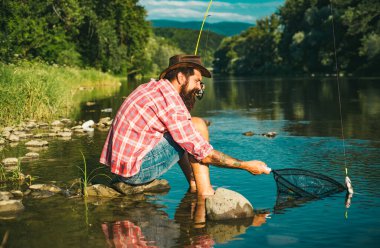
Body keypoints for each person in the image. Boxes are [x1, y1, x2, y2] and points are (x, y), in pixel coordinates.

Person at [100, 54, 271, 196]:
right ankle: (205, 192)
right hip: (135, 172)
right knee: (197, 127)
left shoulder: (154, 88)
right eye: (197, 81)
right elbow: (205, 154)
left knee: (187, 131)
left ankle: (194, 184)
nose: (199, 87)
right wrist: (247, 165)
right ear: (181, 77)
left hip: (121, 167)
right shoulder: (171, 102)